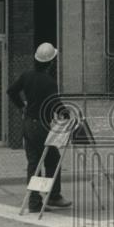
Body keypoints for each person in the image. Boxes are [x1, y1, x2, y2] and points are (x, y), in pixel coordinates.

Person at [6, 42, 72, 211]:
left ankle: (34, 202)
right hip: (42, 126)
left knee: (34, 162)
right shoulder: (49, 82)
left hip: (28, 124)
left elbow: (11, 91)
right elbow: (55, 104)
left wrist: (22, 106)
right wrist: (66, 114)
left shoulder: (27, 75)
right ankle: (53, 196)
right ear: (50, 62)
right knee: (52, 159)